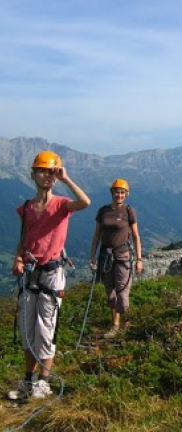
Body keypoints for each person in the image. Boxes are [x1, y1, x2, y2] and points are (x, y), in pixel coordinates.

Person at [9, 151, 91, 400]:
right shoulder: (26, 208)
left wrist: (65, 178)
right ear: (33, 174)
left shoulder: (61, 205)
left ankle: (43, 381)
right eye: (43, 171)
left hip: (52, 273)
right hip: (31, 274)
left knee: (46, 329)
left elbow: (85, 202)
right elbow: (24, 239)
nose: (47, 175)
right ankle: (28, 380)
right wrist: (18, 258)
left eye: (51, 171)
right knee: (28, 330)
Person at [90, 179, 143, 338]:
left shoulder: (129, 211)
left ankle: (126, 320)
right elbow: (97, 235)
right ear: (112, 193)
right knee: (110, 293)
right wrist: (92, 256)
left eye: (122, 193)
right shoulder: (103, 211)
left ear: (126, 194)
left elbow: (135, 236)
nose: (119, 195)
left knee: (122, 294)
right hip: (106, 256)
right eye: (116, 192)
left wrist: (139, 259)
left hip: (123, 255)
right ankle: (115, 325)